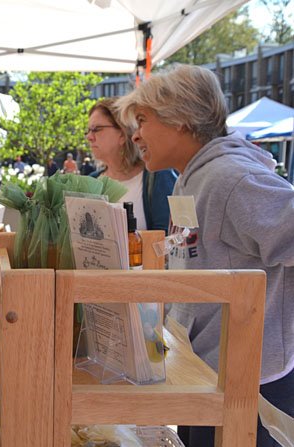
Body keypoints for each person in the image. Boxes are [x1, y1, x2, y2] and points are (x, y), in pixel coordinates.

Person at [116, 64, 294, 446]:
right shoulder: (193, 177)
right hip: (209, 375)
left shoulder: (229, 178)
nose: (136, 134)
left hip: (251, 388)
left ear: (179, 118)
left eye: (143, 120)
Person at [87, 98, 177, 232]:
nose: (89, 137)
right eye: (88, 130)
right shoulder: (91, 181)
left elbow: (166, 239)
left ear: (123, 133)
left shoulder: (157, 176)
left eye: (96, 129)